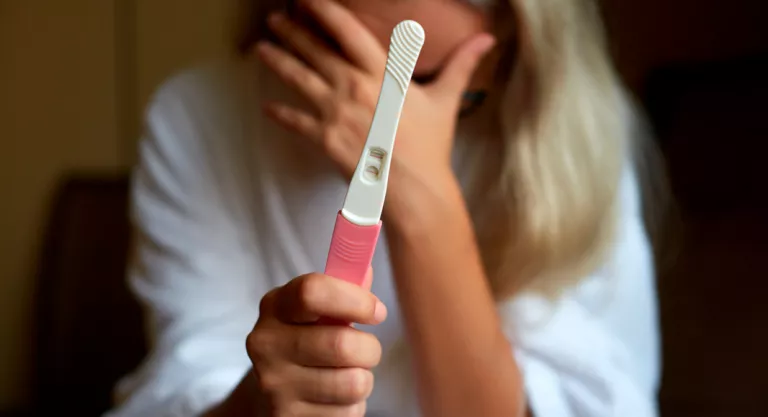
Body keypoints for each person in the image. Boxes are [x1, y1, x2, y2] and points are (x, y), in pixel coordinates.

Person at [105, 0, 661, 416]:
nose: (366, 110)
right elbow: (187, 379)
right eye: (334, 58)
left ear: (517, 29)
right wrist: (259, 401)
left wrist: (422, 199)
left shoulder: (574, 136)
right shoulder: (197, 117)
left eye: (419, 83)